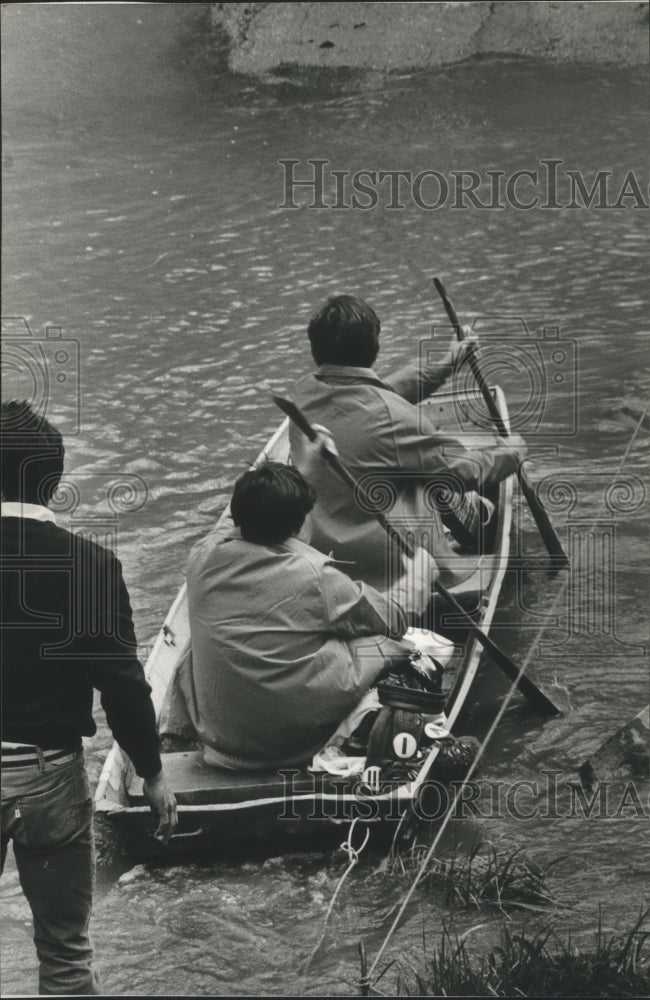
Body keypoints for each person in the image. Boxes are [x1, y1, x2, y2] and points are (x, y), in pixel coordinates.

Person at [0, 400, 178, 996]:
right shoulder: (91, 566)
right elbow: (123, 686)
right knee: (64, 949)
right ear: (53, 481)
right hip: (47, 773)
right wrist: (151, 774)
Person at [184, 459, 434, 770]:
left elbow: (234, 523)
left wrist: (308, 468)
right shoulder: (314, 574)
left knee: (193, 644)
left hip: (221, 743)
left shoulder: (200, 557)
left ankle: (175, 733)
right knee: (383, 642)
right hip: (290, 747)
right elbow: (394, 620)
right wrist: (421, 576)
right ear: (300, 524)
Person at [289, 294, 527, 598]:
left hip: (321, 555)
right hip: (391, 564)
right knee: (431, 479)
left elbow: (378, 393)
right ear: (374, 348)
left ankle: (475, 518)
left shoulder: (302, 395)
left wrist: (447, 365)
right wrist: (513, 452)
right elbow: (463, 470)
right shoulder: (395, 418)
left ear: (315, 349)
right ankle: (477, 521)